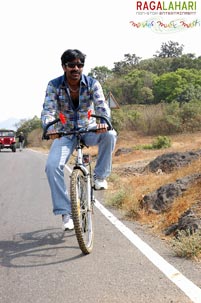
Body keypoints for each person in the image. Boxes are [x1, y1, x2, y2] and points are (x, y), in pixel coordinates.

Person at [41, 49, 117, 231]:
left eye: (79, 64)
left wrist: (103, 123)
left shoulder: (92, 83)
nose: (76, 68)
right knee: (52, 166)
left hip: (89, 129)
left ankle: (100, 177)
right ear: (64, 67)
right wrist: (50, 128)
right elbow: (48, 110)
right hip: (65, 133)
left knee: (110, 134)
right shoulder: (54, 85)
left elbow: (101, 106)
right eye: (71, 65)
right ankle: (65, 211)